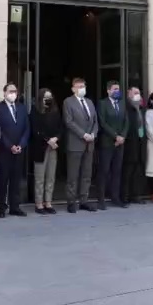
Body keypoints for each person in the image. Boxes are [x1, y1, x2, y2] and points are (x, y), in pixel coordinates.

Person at [0, 83, 29, 218]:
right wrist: (9, 145)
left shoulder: (22, 108)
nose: (12, 93)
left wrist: (21, 144)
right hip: (4, 150)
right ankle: (1, 207)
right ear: (4, 93)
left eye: (14, 91)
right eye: (10, 91)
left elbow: (27, 128)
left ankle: (15, 206)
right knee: (3, 180)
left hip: (19, 150)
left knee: (16, 179)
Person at [63, 77, 98, 213]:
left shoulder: (89, 102)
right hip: (76, 143)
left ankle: (84, 199)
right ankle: (71, 201)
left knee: (86, 174)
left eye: (83, 86)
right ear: (73, 89)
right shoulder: (68, 102)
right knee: (73, 174)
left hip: (90, 143)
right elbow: (69, 121)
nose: (81, 89)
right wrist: (83, 134)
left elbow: (95, 120)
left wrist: (93, 134)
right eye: (78, 86)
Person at [96, 80, 128, 209]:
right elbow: (102, 123)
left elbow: (126, 121)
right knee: (104, 171)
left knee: (117, 171)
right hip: (107, 142)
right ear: (108, 90)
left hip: (120, 143)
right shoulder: (102, 104)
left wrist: (122, 136)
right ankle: (101, 199)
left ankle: (116, 197)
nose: (117, 91)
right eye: (114, 89)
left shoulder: (122, 103)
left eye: (118, 89)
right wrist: (115, 136)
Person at [31, 88, 62, 214]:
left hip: (53, 147)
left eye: (50, 97)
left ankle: (48, 202)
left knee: (50, 177)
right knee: (40, 178)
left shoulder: (55, 111)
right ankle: (39, 204)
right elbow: (35, 130)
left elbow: (61, 127)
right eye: (45, 97)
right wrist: (47, 140)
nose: (48, 100)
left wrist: (56, 139)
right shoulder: (35, 111)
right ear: (40, 98)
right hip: (40, 148)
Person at [121, 87, 147, 205]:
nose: (138, 95)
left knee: (138, 171)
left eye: (139, 93)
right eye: (135, 93)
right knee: (128, 171)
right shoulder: (125, 107)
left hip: (140, 142)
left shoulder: (140, 108)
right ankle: (125, 196)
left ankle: (136, 195)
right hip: (130, 143)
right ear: (129, 94)